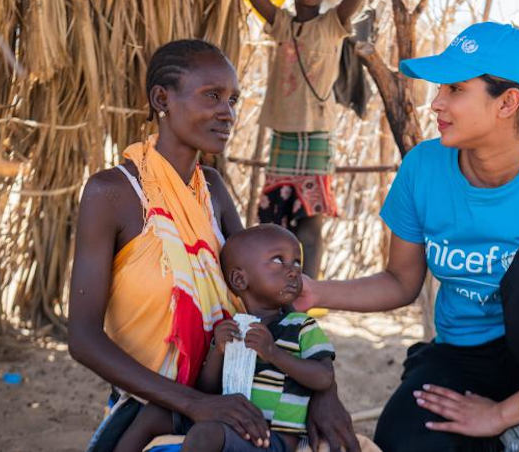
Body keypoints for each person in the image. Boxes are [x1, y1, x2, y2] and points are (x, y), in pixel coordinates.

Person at [294, 22, 519, 452]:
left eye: (455, 89)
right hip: (464, 357)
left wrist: (498, 413)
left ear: (507, 103)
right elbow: (400, 281)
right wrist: (314, 292)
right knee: (400, 440)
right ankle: (505, 435)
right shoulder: (424, 167)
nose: (435, 103)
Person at [68, 39, 360, 452]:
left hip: (232, 393)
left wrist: (325, 395)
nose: (228, 113)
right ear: (161, 98)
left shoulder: (214, 190)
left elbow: (260, 292)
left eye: (233, 99)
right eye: (212, 97)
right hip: (152, 408)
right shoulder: (112, 193)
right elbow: (82, 337)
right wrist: (194, 402)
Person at [113, 224, 336, 452]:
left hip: (271, 437)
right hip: (229, 421)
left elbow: (324, 377)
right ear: (240, 280)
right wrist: (216, 351)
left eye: (297, 262)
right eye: (279, 261)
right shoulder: (232, 326)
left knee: (207, 434)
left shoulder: (301, 327)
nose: (293, 271)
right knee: (153, 413)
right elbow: (208, 390)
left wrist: (273, 354)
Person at [248, 0, 363, 278]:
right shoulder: (283, 24)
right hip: (282, 133)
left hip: (317, 134)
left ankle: (306, 300)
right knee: (275, 220)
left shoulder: (332, 24)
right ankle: (274, 293)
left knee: (310, 223)